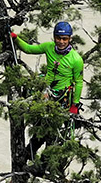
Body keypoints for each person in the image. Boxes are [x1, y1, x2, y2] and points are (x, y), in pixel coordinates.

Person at [11, 21, 84, 158]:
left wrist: (75, 105)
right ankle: (30, 153)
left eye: (64, 39)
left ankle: (46, 158)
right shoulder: (49, 47)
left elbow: (79, 82)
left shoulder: (76, 59)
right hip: (46, 91)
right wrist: (15, 38)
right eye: (58, 38)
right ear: (54, 37)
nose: (61, 42)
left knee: (52, 131)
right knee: (40, 126)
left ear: (70, 39)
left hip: (62, 97)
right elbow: (28, 49)